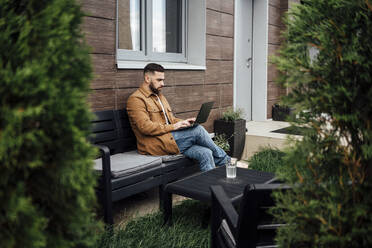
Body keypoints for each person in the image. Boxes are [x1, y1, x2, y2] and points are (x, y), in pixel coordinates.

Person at [126, 63, 230, 171]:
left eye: (163, 80)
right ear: (147, 78)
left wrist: (184, 122)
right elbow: (145, 127)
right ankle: (226, 162)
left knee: (206, 153)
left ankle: (210, 186)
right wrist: (174, 127)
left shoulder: (159, 96)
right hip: (156, 144)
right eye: (159, 80)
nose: (163, 83)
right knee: (198, 130)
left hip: (172, 140)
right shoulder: (136, 99)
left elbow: (170, 119)